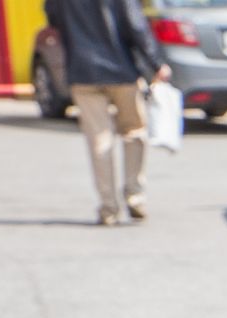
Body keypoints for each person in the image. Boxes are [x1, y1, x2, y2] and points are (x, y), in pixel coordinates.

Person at [43, 0, 170, 225]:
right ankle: (135, 197)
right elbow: (136, 26)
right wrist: (156, 62)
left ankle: (108, 207)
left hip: (82, 72)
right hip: (123, 72)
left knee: (99, 139)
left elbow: (53, 18)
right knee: (134, 132)